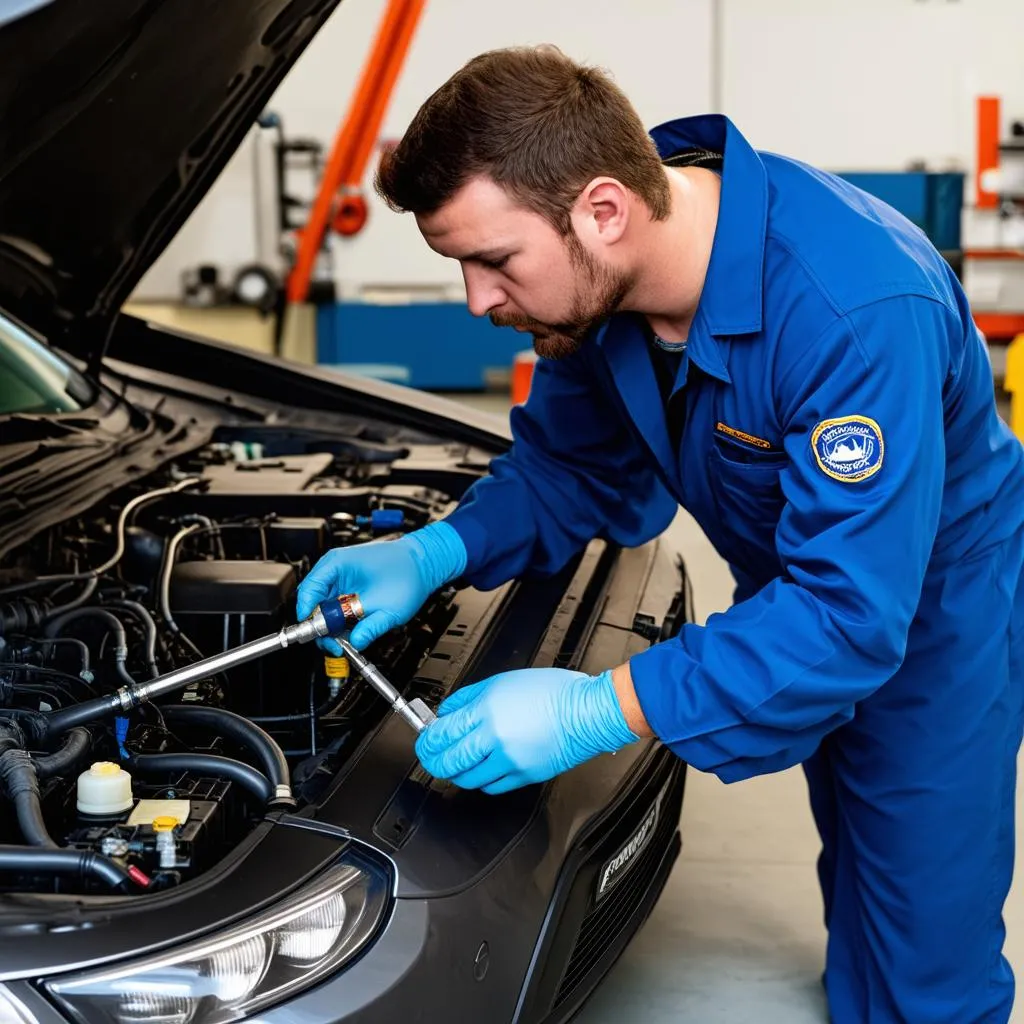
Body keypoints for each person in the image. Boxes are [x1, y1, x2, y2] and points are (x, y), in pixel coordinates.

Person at [295, 45, 1024, 1024]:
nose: (475, 300)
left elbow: (850, 616)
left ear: (602, 209)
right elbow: (571, 471)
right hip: (802, 584)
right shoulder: (600, 295)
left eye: (492, 260)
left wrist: (596, 709)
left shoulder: (853, 310)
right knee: (860, 855)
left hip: (936, 609)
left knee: (926, 941)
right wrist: (433, 553)